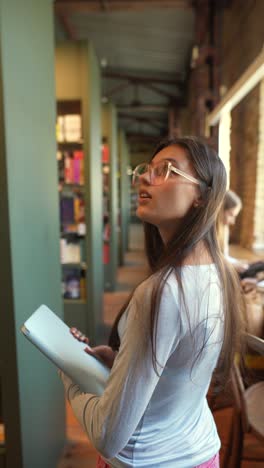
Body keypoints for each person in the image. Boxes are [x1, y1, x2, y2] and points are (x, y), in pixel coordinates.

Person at [59, 137, 246, 468]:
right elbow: (182, 367)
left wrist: (72, 376)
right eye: (146, 169)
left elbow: (107, 435)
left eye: (167, 170)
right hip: (201, 452)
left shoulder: (162, 292)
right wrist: (123, 360)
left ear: (203, 194)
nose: (144, 177)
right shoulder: (221, 272)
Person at [218, 190, 258, 294]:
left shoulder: (224, 229)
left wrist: (237, 262)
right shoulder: (210, 232)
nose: (233, 221)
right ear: (220, 210)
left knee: (260, 265)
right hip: (221, 273)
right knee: (250, 272)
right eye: (231, 215)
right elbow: (214, 261)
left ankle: (253, 283)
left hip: (226, 267)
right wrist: (233, 266)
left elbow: (225, 256)